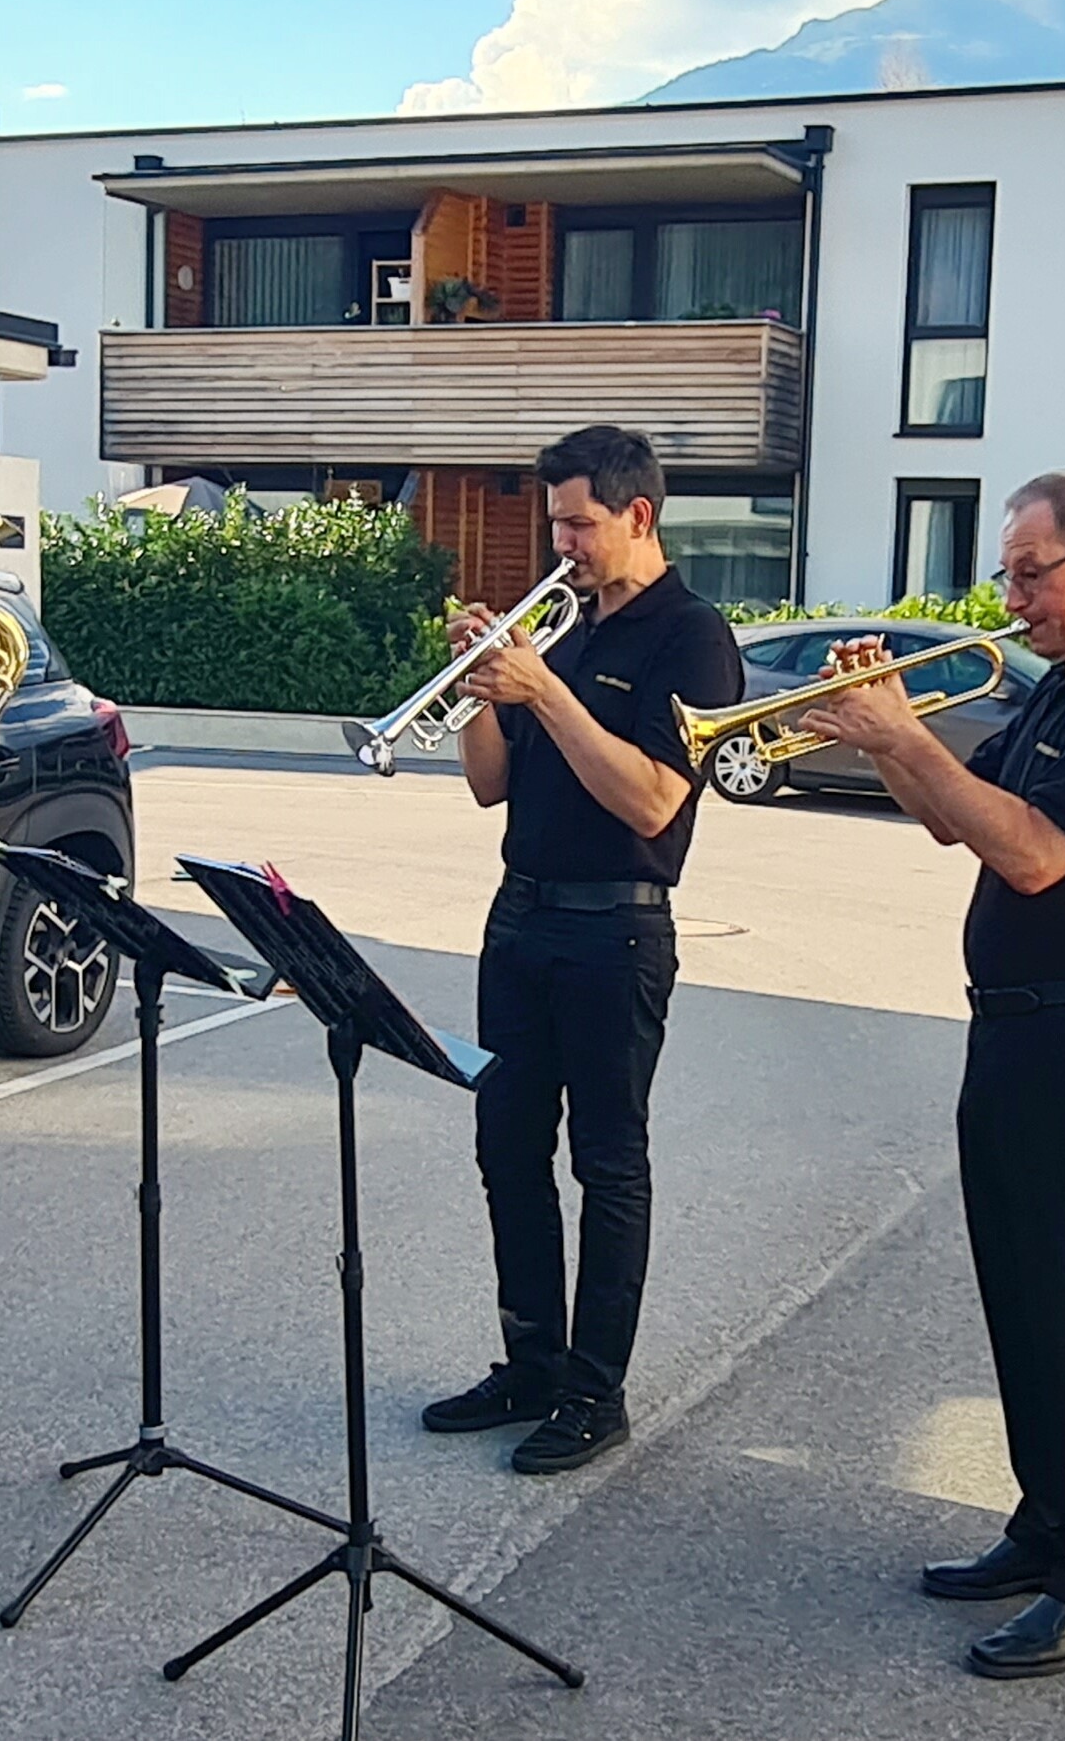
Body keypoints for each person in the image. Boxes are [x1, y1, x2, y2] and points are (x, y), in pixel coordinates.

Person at [801, 473, 1065, 1680]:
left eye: (1031, 573)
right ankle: (1047, 1523)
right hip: (1019, 1027)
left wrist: (900, 732)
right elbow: (962, 820)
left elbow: (1036, 858)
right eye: (1008, 574)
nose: (1012, 598)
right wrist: (881, 735)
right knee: (1023, 1296)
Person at [418, 426, 744, 1474]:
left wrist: (546, 693)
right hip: (519, 917)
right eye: (554, 524)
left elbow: (651, 800)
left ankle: (595, 1391)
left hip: (616, 927)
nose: (560, 546)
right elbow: (490, 785)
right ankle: (531, 1363)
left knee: (607, 1162)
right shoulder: (562, 629)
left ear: (637, 515)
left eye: (579, 525)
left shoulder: (691, 638)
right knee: (505, 1146)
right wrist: (475, 683)